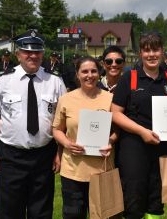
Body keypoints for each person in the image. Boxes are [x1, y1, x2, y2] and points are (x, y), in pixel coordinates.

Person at [0, 29, 66, 219]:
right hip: (11, 157)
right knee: (10, 211)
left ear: (42, 53)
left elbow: (62, 121)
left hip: (44, 156)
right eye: (27, 51)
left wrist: (59, 153)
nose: (33, 55)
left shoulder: (55, 81)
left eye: (37, 51)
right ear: (18, 54)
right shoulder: (2, 80)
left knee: (41, 212)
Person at [111, 31, 167, 219]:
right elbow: (115, 113)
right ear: (140, 53)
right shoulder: (129, 78)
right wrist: (142, 131)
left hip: (162, 147)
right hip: (134, 146)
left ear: (162, 51)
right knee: (134, 199)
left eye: (155, 50)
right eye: (147, 50)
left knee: (157, 199)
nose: (151, 55)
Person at [52, 56, 113, 219]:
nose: (89, 75)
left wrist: (111, 141)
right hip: (73, 170)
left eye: (93, 71)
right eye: (84, 71)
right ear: (77, 75)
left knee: (101, 216)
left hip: (102, 169)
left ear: (99, 73)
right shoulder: (66, 99)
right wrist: (67, 143)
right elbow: (57, 130)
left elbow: (117, 130)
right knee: (73, 215)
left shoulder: (110, 98)